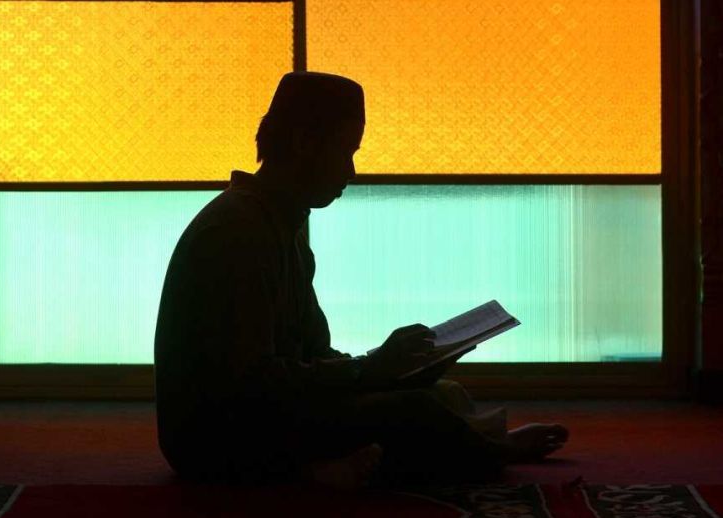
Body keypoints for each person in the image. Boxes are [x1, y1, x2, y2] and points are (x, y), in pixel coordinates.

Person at [153, 71, 568, 490]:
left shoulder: (279, 228)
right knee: (414, 411)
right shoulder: (238, 231)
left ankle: (332, 468)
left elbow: (313, 355)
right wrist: (370, 371)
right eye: (345, 151)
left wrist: (395, 369)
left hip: (265, 411)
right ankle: (491, 452)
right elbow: (251, 383)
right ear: (304, 143)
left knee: (444, 394)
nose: (351, 171)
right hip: (219, 437)